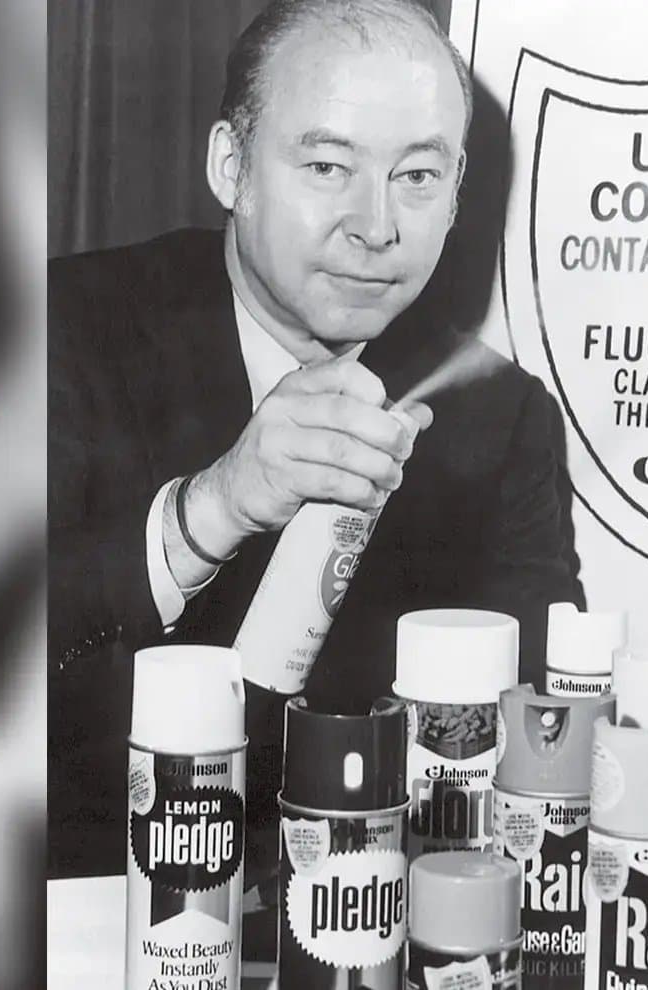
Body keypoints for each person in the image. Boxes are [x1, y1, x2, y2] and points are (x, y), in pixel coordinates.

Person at [49, 0, 584, 881]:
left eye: (418, 176)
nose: (376, 226)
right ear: (231, 167)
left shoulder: (502, 417)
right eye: (329, 166)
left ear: (459, 190)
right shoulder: (64, 329)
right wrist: (210, 509)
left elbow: (541, 736)